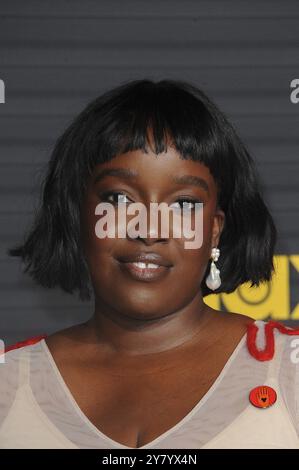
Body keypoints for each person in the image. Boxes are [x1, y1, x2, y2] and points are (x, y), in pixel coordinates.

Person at [1, 79, 299, 449]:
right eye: (120, 198)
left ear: (215, 231)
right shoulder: (8, 382)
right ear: (79, 216)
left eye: (183, 204)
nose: (149, 229)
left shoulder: (290, 372)